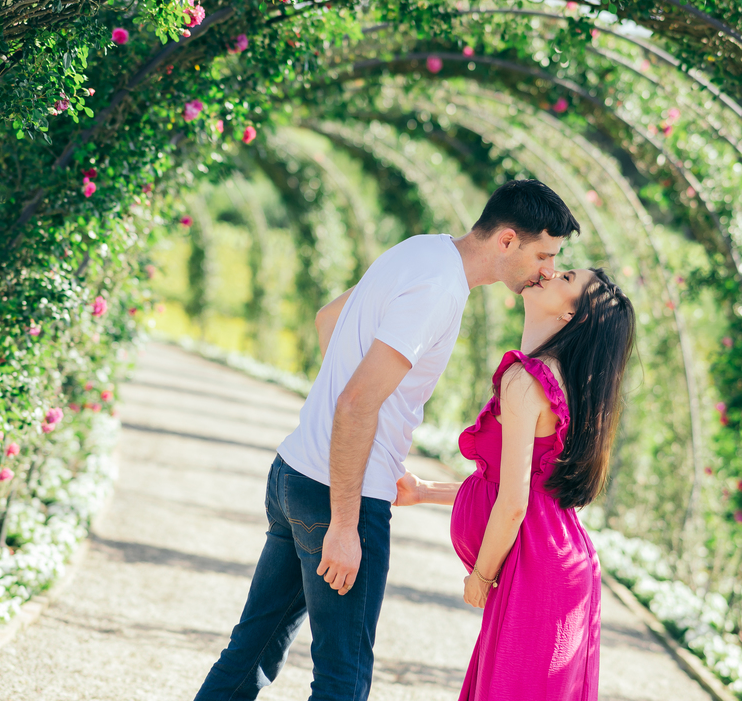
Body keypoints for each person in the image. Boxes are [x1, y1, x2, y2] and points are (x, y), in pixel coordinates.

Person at [193, 179, 581, 701]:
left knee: (249, 654)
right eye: (545, 255)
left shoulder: (419, 251)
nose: (548, 271)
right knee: (342, 681)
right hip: (338, 498)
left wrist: (360, 432)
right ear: (507, 241)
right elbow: (357, 403)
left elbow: (329, 319)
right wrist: (346, 521)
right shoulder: (440, 291)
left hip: (294, 473)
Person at [395, 266, 635, 701]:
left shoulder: (526, 380)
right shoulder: (562, 380)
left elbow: (513, 505)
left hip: (538, 574)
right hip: (558, 563)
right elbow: (527, 492)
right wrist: (427, 492)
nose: (549, 272)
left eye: (565, 279)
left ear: (570, 316)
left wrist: (481, 577)